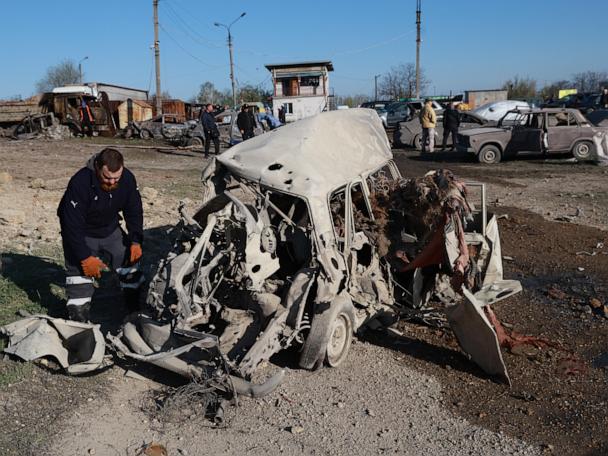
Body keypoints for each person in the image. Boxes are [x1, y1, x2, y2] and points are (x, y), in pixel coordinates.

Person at [57, 148, 144, 322]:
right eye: (107, 177)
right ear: (97, 167)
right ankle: (79, 319)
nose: (112, 182)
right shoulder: (80, 182)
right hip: (83, 233)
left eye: (116, 178)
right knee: (79, 278)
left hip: (110, 230)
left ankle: (135, 309)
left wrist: (135, 240)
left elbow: (134, 210)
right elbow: (71, 225)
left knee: (130, 266)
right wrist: (84, 257)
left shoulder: (127, 179)